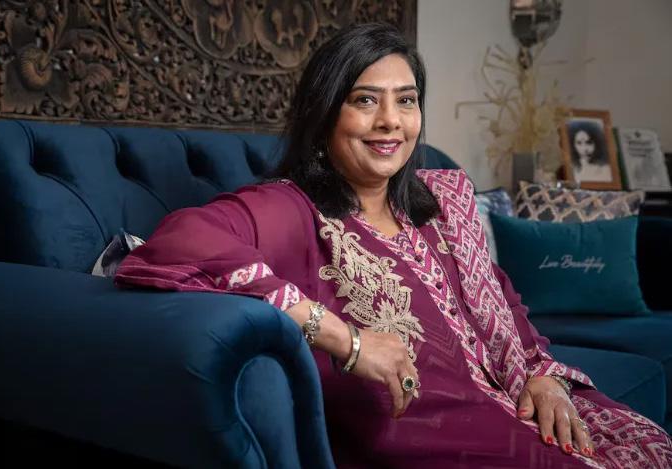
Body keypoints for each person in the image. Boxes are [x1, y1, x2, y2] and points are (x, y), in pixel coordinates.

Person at [115, 23, 672, 468]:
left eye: (406, 101)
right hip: (433, 435)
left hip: (514, 397)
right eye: (365, 100)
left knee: (647, 445)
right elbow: (181, 242)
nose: (390, 122)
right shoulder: (293, 208)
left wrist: (542, 375)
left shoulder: (441, 203)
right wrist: (346, 339)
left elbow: (503, 301)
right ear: (324, 115)